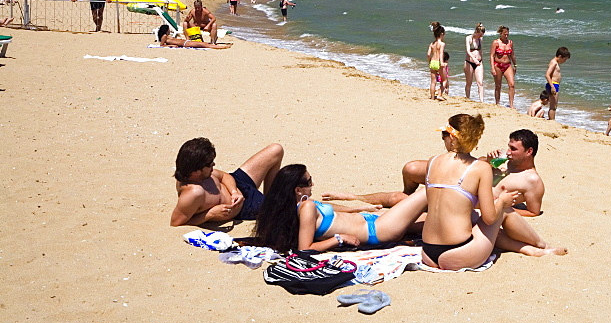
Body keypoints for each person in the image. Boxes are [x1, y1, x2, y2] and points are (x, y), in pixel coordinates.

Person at [420, 114, 564, 269]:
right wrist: (502, 201)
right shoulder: (481, 168)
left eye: (445, 135)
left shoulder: (432, 161)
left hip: (427, 252)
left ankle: (529, 249)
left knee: (477, 217)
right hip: (459, 252)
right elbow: (489, 218)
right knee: (501, 209)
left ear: (453, 138)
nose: (444, 139)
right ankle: (542, 245)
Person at [326, 128, 549, 217]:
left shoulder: (532, 181)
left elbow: (533, 212)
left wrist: (500, 207)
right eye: (508, 147)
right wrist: (487, 161)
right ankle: (356, 197)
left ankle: (356, 202)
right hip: (463, 183)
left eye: (513, 149)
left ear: (529, 152)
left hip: (465, 201)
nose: (508, 152)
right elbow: (478, 167)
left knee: (398, 199)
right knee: (412, 169)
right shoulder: (506, 164)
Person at [252, 164, 429, 253]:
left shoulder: (301, 205)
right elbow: (305, 249)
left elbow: (329, 210)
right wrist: (338, 239)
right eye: (309, 182)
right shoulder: (306, 208)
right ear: (297, 190)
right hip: (377, 230)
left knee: (431, 222)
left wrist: (356, 209)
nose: (312, 184)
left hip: (373, 220)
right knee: (427, 191)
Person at [170, 138, 284, 226]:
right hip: (245, 207)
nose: (213, 165)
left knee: (276, 150)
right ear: (196, 171)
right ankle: (271, 205)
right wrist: (210, 215)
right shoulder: (193, 193)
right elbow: (176, 222)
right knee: (288, 209)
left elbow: (224, 176)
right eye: (210, 163)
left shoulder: (203, 174)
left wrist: (234, 191)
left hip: (238, 183)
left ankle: (270, 197)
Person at [490, 25, 517, 108]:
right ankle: (497, 103)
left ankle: (511, 105)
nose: (506, 36)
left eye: (507, 34)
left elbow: (512, 55)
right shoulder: (496, 42)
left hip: (507, 65)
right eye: (504, 34)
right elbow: (492, 55)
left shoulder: (510, 43)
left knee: (511, 84)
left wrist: (515, 65)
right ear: (500, 33)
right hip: (497, 65)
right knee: (498, 85)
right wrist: (492, 67)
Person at [543, 47, 571, 121]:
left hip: (554, 84)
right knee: (553, 106)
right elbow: (547, 75)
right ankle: (552, 120)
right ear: (560, 56)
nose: (564, 61)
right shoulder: (554, 63)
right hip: (553, 84)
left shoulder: (554, 62)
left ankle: (551, 119)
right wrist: (552, 87)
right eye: (564, 59)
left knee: (553, 105)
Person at [158, 24, 232, 49]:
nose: (169, 30)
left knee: (205, 44)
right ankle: (223, 47)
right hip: (185, 44)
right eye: (168, 29)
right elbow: (162, 45)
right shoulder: (164, 36)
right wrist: (172, 45)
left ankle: (223, 46)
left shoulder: (167, 36)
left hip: (186, 42)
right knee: (205, 45)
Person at [464, 23, 486, 102]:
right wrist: (474, 59)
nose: (481, 36)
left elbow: (480, 51)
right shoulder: (468, 38)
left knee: (480, 83)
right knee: (469, 82)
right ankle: (467, 98)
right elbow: (468, 51)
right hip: (469, 62)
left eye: (482, 35)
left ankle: (481, 101)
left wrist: (480, 60)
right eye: (480, 34)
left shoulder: (480, 39)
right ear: (476, 32)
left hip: (479, 63)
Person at [427, 21, 446, 100]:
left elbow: (428, 54)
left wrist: (429, 61)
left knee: (433, 81)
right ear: (441, 34)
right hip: (438, 62)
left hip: (432, 62)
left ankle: (432, 97)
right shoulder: (441, 44)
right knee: (444, 80)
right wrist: (441, 62)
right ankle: (439, 94)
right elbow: (441, 53)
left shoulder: (432, 44)